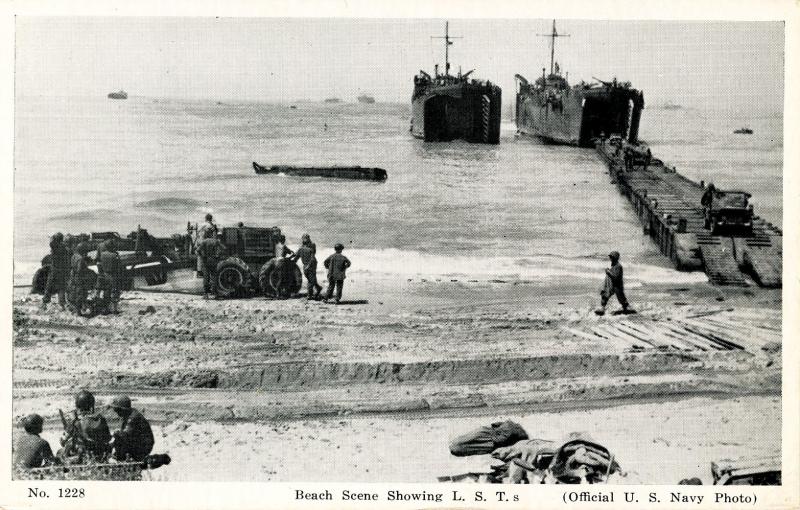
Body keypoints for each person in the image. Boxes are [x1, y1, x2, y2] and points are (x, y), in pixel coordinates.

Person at [61, 390, 111, 460]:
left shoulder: (75, 422)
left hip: (83, 456)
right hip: (101, 454)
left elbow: (62, 442)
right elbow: (108, 438)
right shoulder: (101, 419)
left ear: (77, 405)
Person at [108, 395, 154, 462]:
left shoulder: (133, 418)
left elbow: (125, 435)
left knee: (119, 437)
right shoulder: (129, 413)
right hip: (138, 442)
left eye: (117, 409)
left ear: (123, 409)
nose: (116, 412)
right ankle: (120, 457)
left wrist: (114, 435)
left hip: (144, 447)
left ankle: (124, 459)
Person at [41, 233, 71, 311]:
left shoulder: (56, 247)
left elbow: (51, 243)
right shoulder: (66, 248)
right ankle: (62, 305)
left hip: (54, 271)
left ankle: (44, 303)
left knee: (49, 287)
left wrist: (52, 237)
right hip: (62, 271)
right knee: (61, 288)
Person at [595, 251, 630, 316]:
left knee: (621, 298)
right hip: (611, 284)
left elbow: (616, 277)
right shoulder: (613, 265)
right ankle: (602, 309)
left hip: (617, 285)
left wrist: (608, 272)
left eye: (611, 257)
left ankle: (626, 309)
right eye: (610, 257)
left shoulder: (618, 266)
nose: (610, 258)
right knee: (605, 295)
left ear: (615, 258)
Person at [96, 238, 124, 314]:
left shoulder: (102, 255)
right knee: (114, 292)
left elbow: (99, 263)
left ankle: (105, 309)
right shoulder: (114, 255)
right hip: (113, 275)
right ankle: (114, 309)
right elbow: (119, 266)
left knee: (106, 292)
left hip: (105, 275)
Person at [291, 234, 323, 300]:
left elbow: (312, 258)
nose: (305, 239)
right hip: (306, 265)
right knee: (311, 279)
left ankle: (310, 295)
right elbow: (296, 257)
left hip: (312, 264)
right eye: (304, 238)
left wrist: (308, 265)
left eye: (306, 238)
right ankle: (318, 288)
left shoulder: (312, 246)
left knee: (310, 280)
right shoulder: (301, 249)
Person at [67, 242, 95, 316]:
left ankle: (74, 309)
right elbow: (79, 270)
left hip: (73, 276)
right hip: (79, 278)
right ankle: (78, 311)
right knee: (81, 294)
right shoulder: (80, 259)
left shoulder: (74, 256)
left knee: (74, 293)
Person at [196, 228, 225, 299]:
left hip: (205, 261)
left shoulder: (204, 242)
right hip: (214, 261)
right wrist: (218, 256)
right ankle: (214, 293)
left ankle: (206, 294)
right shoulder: (216, 241)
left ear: (206, 234)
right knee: (214, 277)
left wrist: (202, 256)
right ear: (211, 234)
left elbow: (197, 251)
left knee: (206, 277)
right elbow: (224, 248)